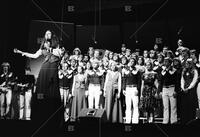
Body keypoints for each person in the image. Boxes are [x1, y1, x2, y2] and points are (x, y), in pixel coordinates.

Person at [14, 30, 63, 132]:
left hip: (53, 66)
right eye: (46, 33)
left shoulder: (57, 46)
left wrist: (50, 48)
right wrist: (22, 53)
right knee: (42, 86)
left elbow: (59, 55)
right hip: (45, 67)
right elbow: (34, 55)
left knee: (52, 86)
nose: (47, 35)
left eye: (49, 33)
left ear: (52, 36)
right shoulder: (43, 48)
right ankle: (42, 105)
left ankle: (52, 105)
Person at [180, 58, 198, 124]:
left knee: (190, 105)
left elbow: (194, 81)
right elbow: (182, 80)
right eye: (186, 63)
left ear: (191, 64)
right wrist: (182, 87)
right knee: (184, 105)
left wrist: (189, 88)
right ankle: (185, 120)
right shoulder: (184, 70)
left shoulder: (194, 71)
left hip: (191, 90)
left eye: (188, 63)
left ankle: (191, 120)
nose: (186, 64)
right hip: (184, 89)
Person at [122, 58, 140, 124]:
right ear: (129, 62)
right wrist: (123, 89)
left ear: (135, 63)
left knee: (135, 105)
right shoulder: (126, 70)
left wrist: (137, 89)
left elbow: (139, 81)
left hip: (134, 88)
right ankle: (128, 121)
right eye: (130, 61)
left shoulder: (137, 71)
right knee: (128, 106)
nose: (131, 62)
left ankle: (135, 121)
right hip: (127, 89)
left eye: (133, 61)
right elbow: (124, 80)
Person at [161, 57, 178, 124]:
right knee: (165, 107)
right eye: (164, 61)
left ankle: (173, 121)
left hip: (172, 88)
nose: (165, 63)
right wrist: (160, 91)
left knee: (173, 106)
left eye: (167, 61)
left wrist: (175, 91)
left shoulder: (174, 70)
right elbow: (161, 82)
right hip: (164, 89)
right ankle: (165, 121)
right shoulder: (163, 71)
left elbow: (177, 82)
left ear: (170, 63)